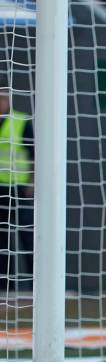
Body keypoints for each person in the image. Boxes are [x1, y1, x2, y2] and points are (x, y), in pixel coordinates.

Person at [0, 82, 34, 292]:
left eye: (3, 97)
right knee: (2, 241)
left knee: (27, 237)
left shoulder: (21, 121)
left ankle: (34, 286)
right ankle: (5, 288)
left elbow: (34, 154)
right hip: (0, 189)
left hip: (19, 188)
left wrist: (32, 182)